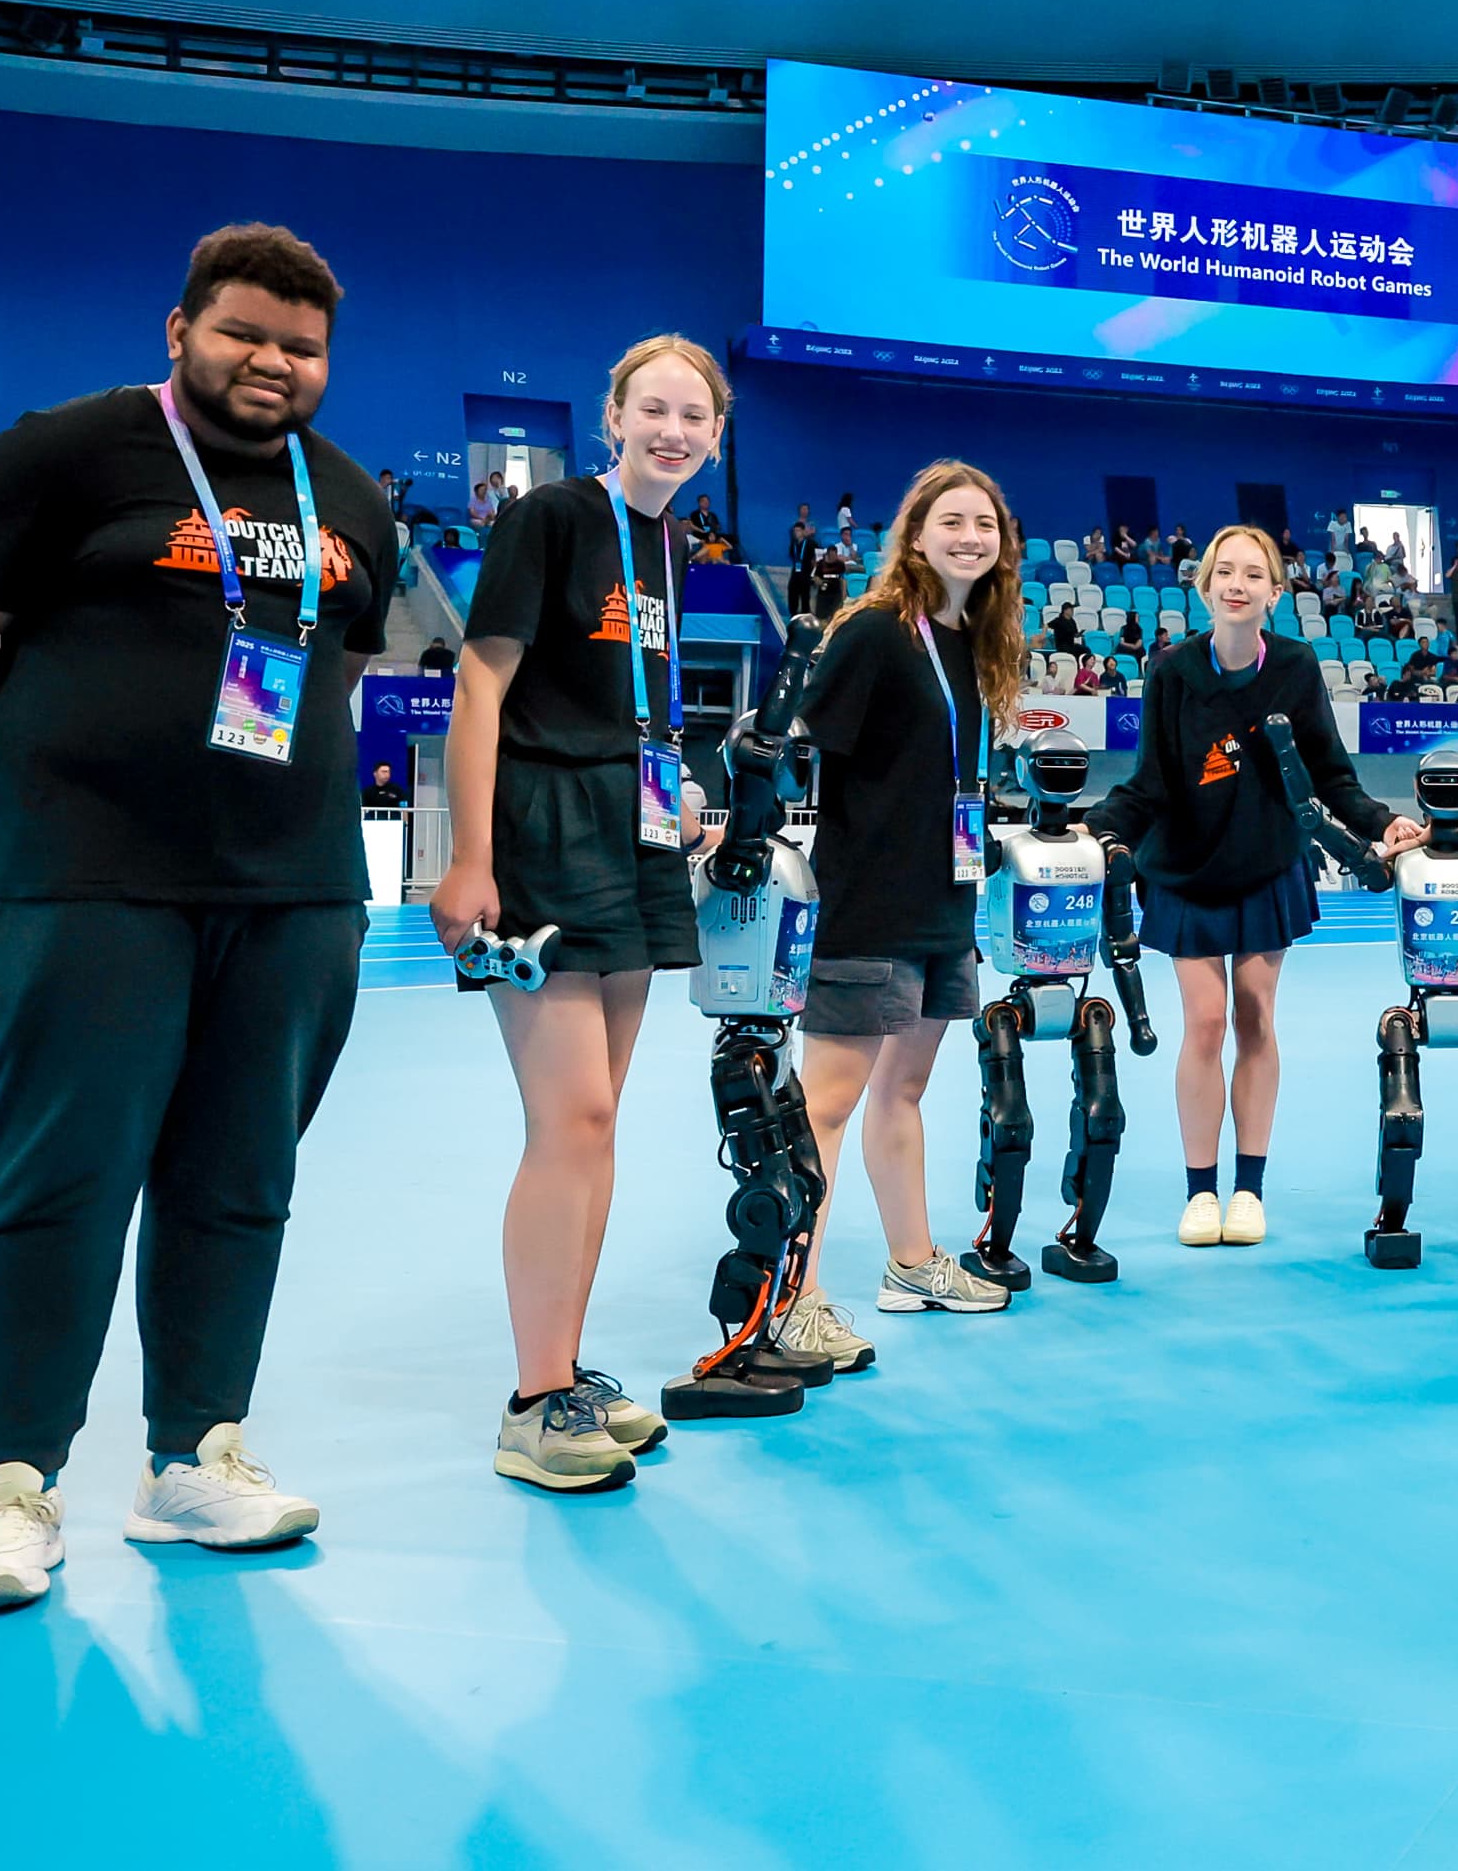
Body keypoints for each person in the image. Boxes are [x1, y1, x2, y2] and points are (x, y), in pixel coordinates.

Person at [0, 223, 397, 1616]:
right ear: (177, 329)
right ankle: (10, 1486)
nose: (273, 361)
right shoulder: (68, 451)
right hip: (84, 882)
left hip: (294, 892)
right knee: (56, 1181)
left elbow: (339, 674)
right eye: (245, 332)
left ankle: (194, 1454)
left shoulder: (350, 495)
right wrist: (34, 779)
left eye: (302, 347)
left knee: (239, 1181)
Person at [435, 335, 726, 1495]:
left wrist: (680, 786)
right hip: (543, 828)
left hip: (635, 827)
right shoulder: (552, 517)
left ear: (715, 434)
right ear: (613, 416)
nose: (673, 428)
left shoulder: (667, 544)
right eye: (652, 408)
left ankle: (562, 1370)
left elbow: (624, 695)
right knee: (572, 1118)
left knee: (597, 1127)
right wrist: (469, 859)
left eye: (694, 415)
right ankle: (529, 1403)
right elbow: (480, 682)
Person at [1092, 527, 1420, 1248]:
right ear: (1205, 585)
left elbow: (1331, 771)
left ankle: (1249, 1189)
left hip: (1266, 863)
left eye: (1253, 574)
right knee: (1205, 1023)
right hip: (1184, 867)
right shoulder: (1172, 671)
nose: (1237, 584)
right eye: (1224, 571)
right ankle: (1200, 1192)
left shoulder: (1298, 667)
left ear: (1275, 592)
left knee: (1256, 1020)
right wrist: (1095, 830)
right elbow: (1148, 782)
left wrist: (1383, 820)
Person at [777, 461, 1026, 1347]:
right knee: (826, 1105)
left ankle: (911, 1262)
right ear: (915, 535)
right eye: (951, 521)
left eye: (985, 525)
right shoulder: (877, 632)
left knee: (905, 1092)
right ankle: (788, 1297)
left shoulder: (977, 642)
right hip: (868, 905)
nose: (969, 537)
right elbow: (797, 749)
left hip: (943, 909)